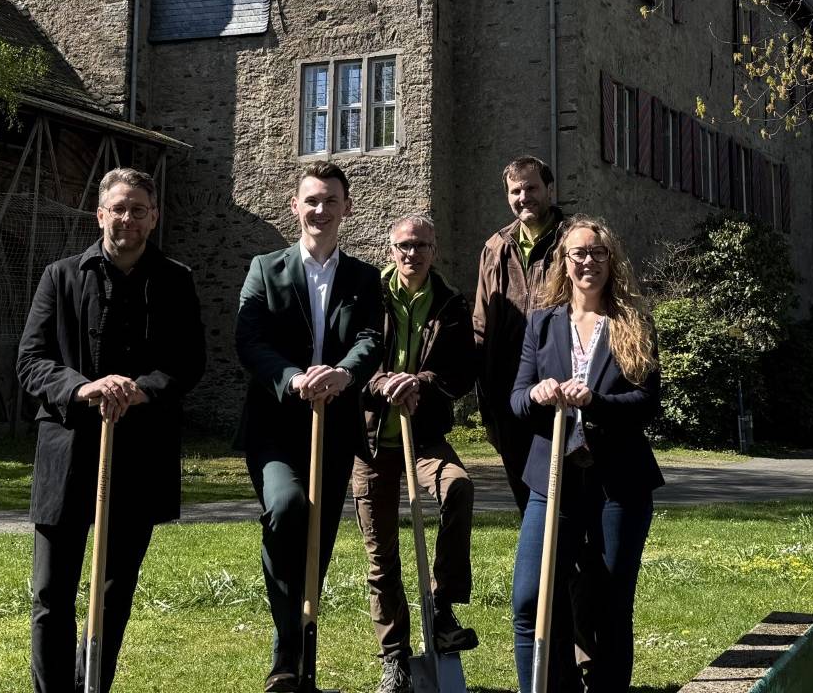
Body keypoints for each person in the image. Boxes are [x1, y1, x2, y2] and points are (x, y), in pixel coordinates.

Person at [16, 167, 206, 693]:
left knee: (113, 588)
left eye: (138, 209)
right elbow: (31, 361)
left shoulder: (175, 280)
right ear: (101, 214)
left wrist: (138, 389)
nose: (128, 218)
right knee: (51, 592)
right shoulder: (60, 276)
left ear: (154, 217)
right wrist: (83, 388)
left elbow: (188, 362)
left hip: (141, 453)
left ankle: (92, 686)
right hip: (68, 449)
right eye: (118, 208)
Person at [236, 161, 385, 693]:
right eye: (312, 200)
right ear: (296, 207)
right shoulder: (264, 269)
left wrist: (343, 374)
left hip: (336, 424)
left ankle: (304, 666)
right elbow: (249, 340)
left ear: (347, 207)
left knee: (317, 541)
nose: (320, 210)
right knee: (287, 508)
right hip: (277, 423)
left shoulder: (365, 278)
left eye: (330, 200)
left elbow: (371, 338)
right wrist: (295, 377)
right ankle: (285, 653)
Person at [509, 217, 664, 693]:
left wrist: (594, 402)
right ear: (564, 261)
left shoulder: (633, 324)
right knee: (531, 599)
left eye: (597, 253)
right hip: (552, 479)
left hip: (618, 483)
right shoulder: (542, 323)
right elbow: (515, 399)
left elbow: (647, 403)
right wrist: (538, 394)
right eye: (578, 253)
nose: (588, 262)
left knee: (610, 602)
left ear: (610, 260)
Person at [352, 213, 479, 693]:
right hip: (369, 442)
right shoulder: (366, 295)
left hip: (423, 438)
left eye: (422, 245)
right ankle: (395, 658)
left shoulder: (450, 304)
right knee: (381, 556)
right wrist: (383, 382)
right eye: (404, 245)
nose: (413, 253)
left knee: (459, 488)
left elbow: (462, 373)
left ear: (435, 250)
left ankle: (441, 607)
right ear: (391, 249)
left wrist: (420, 382)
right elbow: (350, 357)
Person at [474, 155, 566, 512]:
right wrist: (486, 401)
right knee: (526, 496)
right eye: (516, 191)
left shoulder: (571, 241)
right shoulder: (495, 248)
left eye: (531, 187)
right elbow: (480, 325)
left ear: (550, 189)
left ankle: (569, 565)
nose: (523, 196)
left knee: (564, 494)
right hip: (508, 392)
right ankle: (541, 564)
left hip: (559, 386)